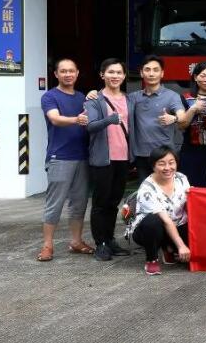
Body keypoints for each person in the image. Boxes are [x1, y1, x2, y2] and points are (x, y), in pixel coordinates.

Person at [37, 58, 92, 262]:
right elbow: (55, 118)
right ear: (56, 74)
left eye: (71, 71)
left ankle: (76, 242)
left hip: (83, 157)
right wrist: (76, 119)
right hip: (60, 157)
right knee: (55, 204)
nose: (68, 74)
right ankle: (47, 246)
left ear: (77, 73)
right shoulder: (50, 96)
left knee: (79, 203)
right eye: (63, 71)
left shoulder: (82, 98)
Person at [84, 58, 132, 261]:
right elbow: (90, 126)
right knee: (100, 203)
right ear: (102, 75)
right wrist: (109, 120)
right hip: (103, 158)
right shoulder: (94, 100)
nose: (115, 76)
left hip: (123, 158)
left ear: (124, 76)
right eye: (111, 72)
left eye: (119, 72)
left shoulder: (129, 99)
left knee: (113, 202)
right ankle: (101, 243)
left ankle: (110, 240)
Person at [125, 146, 191, 276]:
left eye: (171, 163)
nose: (167, 168)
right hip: (152, 229)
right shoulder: (147, 188)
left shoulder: (181, 178)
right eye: (162, 164)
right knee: (153, 221)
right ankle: (152, 259)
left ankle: (169, 249)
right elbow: (166, 220)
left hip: (177, 224)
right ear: (153, 166)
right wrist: (181, 245)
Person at [128, 55, 185, 181]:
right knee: (145, 189)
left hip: (165, 155)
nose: (151, 73)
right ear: (141, 73)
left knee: (166, 189)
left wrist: (174, 118)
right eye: (147, 70)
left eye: (155, 70)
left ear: (162, 73)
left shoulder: (172, 96)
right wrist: (93, 93)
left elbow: (182, 116)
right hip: (141, 155)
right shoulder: (133, 97)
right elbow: (114, 97)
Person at [177, 61, 206, 188]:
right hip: (191, 151)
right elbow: (181, 125)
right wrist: (193, 109)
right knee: (190, 187)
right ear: (195, 77)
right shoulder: (186, 98)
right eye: (203, 76)